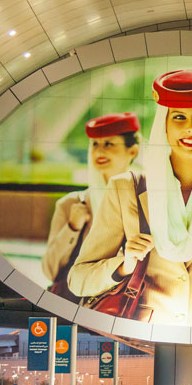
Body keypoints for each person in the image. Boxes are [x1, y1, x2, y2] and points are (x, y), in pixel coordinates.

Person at [69, 70, 192, 324]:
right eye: (179, 117)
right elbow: (78, 280)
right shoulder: (126, 190)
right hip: (144, 340)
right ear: (164, 124)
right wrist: (124, 265)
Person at [42, 112, 140, 294]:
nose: (99, 151)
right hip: (78, 302)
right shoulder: (71, 204)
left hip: (126, 305)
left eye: (109, 144)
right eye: (95, 144)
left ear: (132, 151)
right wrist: (72, 227)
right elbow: (50, 271)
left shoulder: (145, 203)